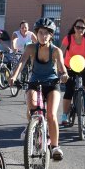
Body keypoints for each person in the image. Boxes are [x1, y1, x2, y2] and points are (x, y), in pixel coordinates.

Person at [9, 17, 68, 161]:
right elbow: (22, 62)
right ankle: (32, 126)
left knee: (51, 116)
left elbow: (61, 66)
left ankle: (54, 147)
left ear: (51, 35)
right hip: (34, 82)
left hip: (52, 84)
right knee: (32, 109)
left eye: (46, 33)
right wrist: (14, 76)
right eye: (41, 33)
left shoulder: (56, 51)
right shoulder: (30, 48)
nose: (43, 36)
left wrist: (64, 74)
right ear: (37, 33)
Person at [60, 18, 85, 124]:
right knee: (69, 89)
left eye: (82, 27)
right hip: (69, 66)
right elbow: (61, 52)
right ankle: (64, 115)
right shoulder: (68, 38)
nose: (80, 29)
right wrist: (59, 66)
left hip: (84, 65)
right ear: (74, 28)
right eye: (78, 27)